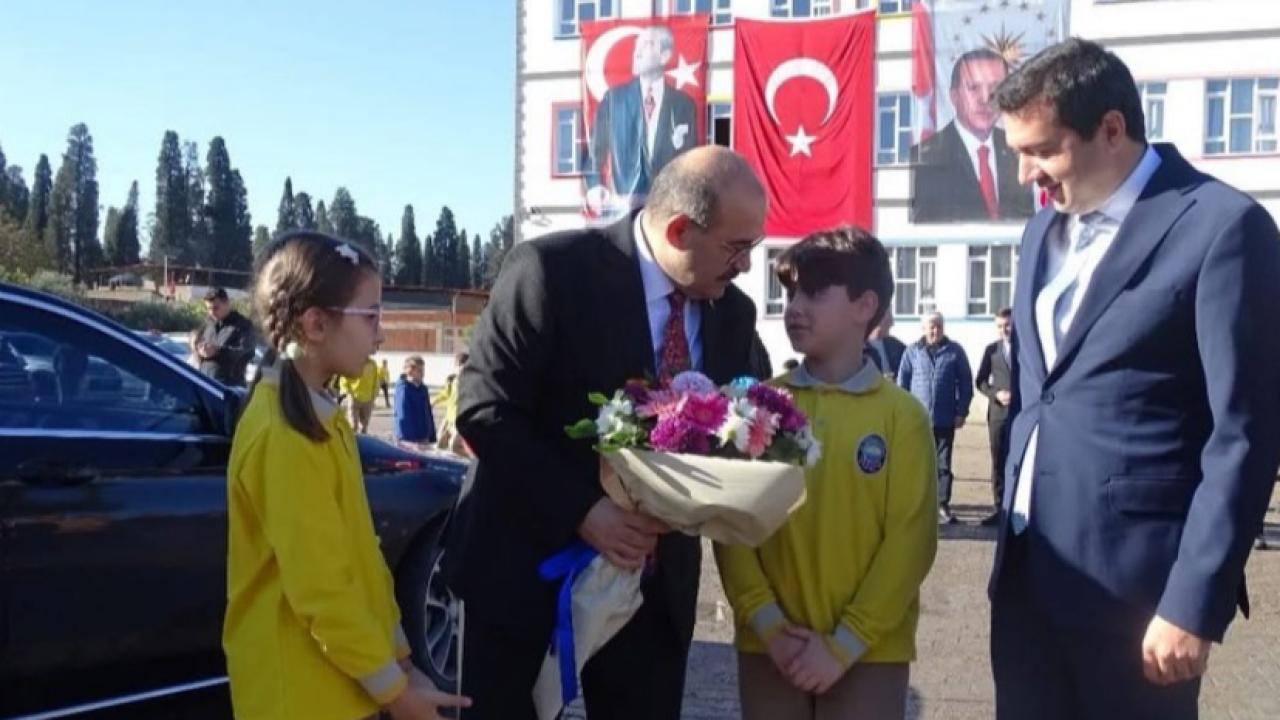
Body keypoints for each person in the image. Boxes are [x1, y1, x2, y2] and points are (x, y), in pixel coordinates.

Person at [989, 39, 1280, 719]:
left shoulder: (1221, 227)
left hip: (1140, 599)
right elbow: (1047, 395)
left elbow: (1246, 432)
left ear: (1112, 129)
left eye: (1042, 150)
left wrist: (1194, 602)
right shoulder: (1041, 233)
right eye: (1017, 153)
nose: (1027, 172)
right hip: (1030, 580)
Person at [445, 146, 772, 720]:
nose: (745, 264)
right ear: (678, 230)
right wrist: (585, 511)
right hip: (527, 570)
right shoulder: (550, 271)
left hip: (651, 586)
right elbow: (485, 408)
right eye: (737, 247)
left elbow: (741, 421)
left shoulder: (732, 313)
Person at [223, 230, 470, 720]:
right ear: (315, 324)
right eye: (372, 315)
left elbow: (361, 561)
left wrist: (400, 662)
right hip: (297, 695)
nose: (380, 334)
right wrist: (397, 695)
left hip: (336, 690)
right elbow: (323, 591)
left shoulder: (320, 419)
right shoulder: (282, 436)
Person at [716, 226, 938, 720]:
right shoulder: (758, 406)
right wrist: (767, 622)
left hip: (869, 651)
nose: (795, 305)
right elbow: (731, 523)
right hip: (771, 646)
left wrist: (846, 641)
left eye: (814, 292)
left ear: (865, 306)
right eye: (790, 291)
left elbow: (911, 541)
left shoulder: (902, 417)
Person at [586, 24, 699, 213]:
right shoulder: (614, 100)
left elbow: (689, 160)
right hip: (621, 207)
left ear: (664, 55)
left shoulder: (682, 104)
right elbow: (594, 151)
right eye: (636, 46)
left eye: (646, 45)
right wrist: (595, 188)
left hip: (665, 210)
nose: (636, 52)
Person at [911, 49, 1032, 224]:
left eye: (995, 88)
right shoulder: (925, 158)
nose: (985, 99)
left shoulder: (1019, 150)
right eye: (974, 88)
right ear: (954, 96)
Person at [897, 313, 973, 525]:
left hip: (945, 419)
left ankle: (941, 504)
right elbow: (902, 386)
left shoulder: (955, 352)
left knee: (943, 465)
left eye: (939, 326)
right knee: (917, 464)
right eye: (931, 327)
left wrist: (961, 411)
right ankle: (917, 504)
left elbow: (966, 383)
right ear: (923, 328)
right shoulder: (912, 352)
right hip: (917, 421)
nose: (935, 331)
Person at [974, 307, 1014, 527]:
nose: (1004, 330)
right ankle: (1000, 509)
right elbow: (980, 381)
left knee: (1017, 460)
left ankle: (1016, 507)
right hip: (998, 415)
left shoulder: (1025, 349)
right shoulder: (991, 351)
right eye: (1000, 326)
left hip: (1020, 414)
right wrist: (995, 394)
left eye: (1007, 325)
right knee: (998, 461)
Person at [191, 287, 256, 387]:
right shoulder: (208, 323)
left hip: (228, 387)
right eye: (208, 308)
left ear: (227, 303)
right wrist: (197, 347)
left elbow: (246, 351)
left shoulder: (243, 325)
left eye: (215, 308)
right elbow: (196, 338)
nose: (212, 312)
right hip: (204, 383)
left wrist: (217, 351)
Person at [431, 352, 469, 454]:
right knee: (439, 442)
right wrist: (433, 401)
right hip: (448, 419)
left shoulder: (470, 383)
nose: (460, 369)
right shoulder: (451, 380)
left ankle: (473, 460)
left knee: (454, 445)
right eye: (458, 366)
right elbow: (445, 394)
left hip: (460, 420)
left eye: (463, 366)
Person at [341, 355, 380, 434]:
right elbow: (344, 379)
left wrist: (374, 395)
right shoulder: (352, 362)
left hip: (368, 399)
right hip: (354, 397)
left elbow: (376, 380)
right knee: (353, 426)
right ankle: (352, 443)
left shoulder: (373, 364)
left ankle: (362, 444)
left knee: (364, 426)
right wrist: (348, 392)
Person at [865, 311, 906, 379]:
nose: (892, 324)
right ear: (877, 321)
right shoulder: (860, 348)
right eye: (888, 320)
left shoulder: (895, 345)